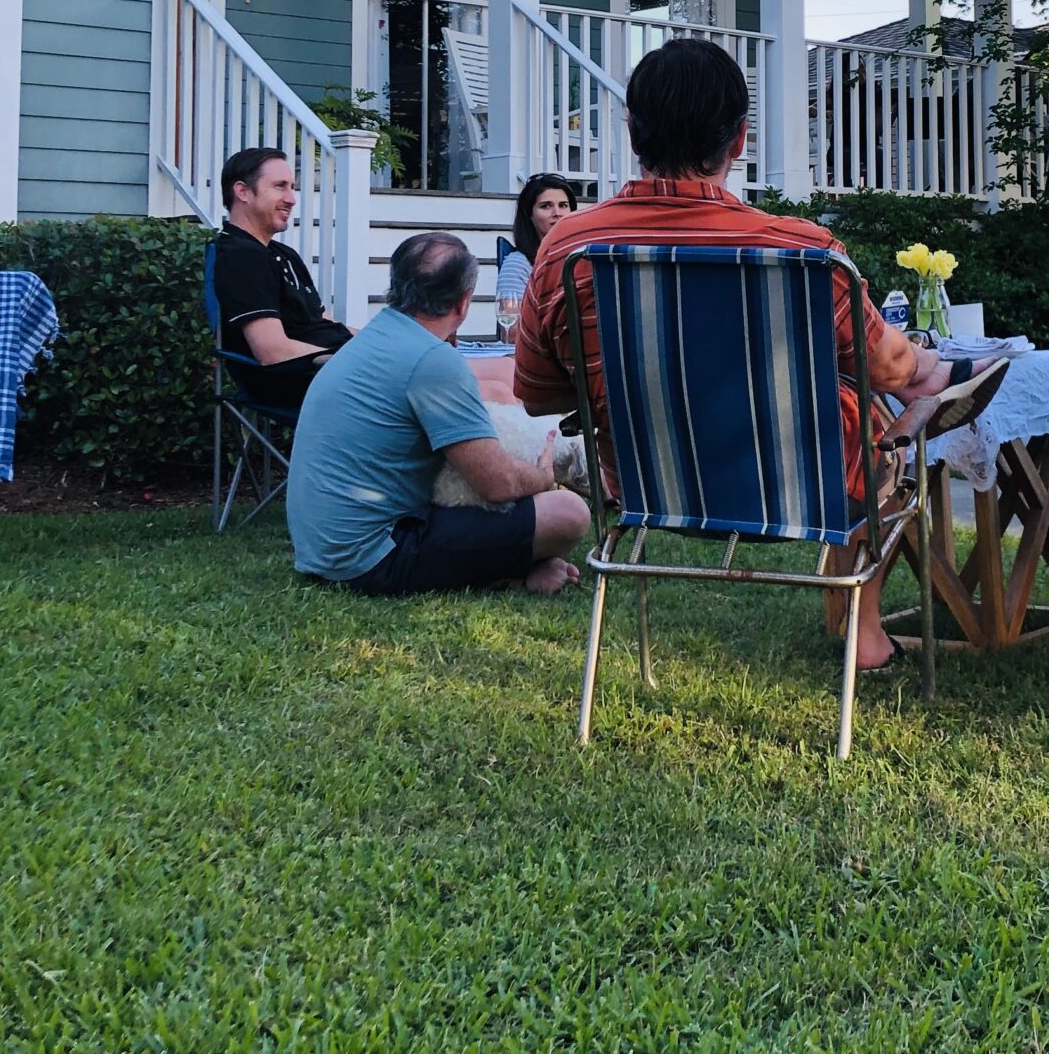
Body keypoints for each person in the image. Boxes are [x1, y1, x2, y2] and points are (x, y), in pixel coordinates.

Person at [512, 36, 954, 674]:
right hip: (804, 489)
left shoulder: (567, 250)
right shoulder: (804, 253)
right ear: (740, 140)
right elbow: (892, 369)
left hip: (643, 483)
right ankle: (867, 637)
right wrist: (926, 365)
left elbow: (538, 394)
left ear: (634, 136)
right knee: (882, 430)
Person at [288, 231, 591, 596]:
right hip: (370, 559)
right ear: (464, 302)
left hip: (321, 551)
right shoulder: (432, 360)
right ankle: (515, 573)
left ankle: (516, 568)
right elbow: (497, 485)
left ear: (396, 286)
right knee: (567, 512)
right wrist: (544, 477)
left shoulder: (372, 338)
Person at [211, 146, 353, 408]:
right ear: (242, 192)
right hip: (305, 381)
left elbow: (322, 321)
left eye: (291, 187)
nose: (291, 199)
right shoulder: (240, 257)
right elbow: (272, 351)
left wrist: (385, 342)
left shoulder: (282, 253)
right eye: (280, 186)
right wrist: (358, 359)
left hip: (333, 370)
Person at [497, 174, 578, 329]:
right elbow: (510, 329)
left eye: (563, 205)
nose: (557, 213)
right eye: (546, 206)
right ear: (529, 215)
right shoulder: (518, 264)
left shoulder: (582, 259)